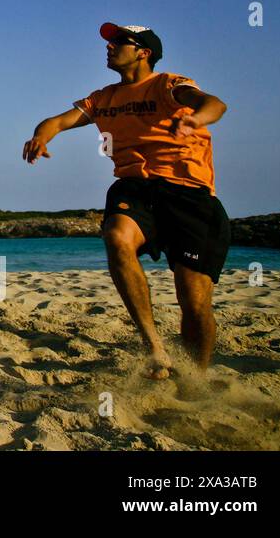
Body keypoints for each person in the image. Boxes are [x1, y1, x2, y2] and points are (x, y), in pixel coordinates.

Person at [23, 23, 230, 380]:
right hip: (134, 188)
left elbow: (215, 104)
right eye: (109, 41)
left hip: (188, 194)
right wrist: (40, 137)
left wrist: (195, 119)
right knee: (117, 237)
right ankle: (154, 346)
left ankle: (196, 379)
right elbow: (57, 120)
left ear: (143, 52)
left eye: (120, 41)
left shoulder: (169, 85)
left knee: (194, 305)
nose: (110, 46)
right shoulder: (102, 98)